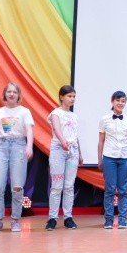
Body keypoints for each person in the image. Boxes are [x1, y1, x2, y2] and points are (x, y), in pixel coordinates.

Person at [0, 83, 34, 233]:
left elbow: (29, 130)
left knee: (17, 187)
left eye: (14, 92)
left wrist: (29, 146)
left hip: (18, 146)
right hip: (1, 147)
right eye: (9, 91)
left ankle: (15, 220)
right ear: (5, 94)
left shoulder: (25, 111)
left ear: (18, 95)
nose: (12, 94)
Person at [46, 85, 83, 231]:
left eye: (74, 96)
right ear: (62, 97)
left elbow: (75, 135)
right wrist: (63, 142)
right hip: (58, 150)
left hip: (72, 151)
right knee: (57, 185)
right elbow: (57, 129)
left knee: (69, 186)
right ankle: (52, 218)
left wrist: (80, 153)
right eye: (69, 96)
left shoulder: (74, 116)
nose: (72, 99)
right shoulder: (55, 113)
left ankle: (68, 217)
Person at [98, 90, 127, 229]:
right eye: (118, 100)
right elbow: (101, 141)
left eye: (123, 101)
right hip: (109, 157)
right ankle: (108, 219)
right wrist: (99, 158)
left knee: (123, 190)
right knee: (109, 189)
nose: (120, 103)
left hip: (124, 157)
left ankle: (122, 219)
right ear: (112, 101)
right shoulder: (104, 119)